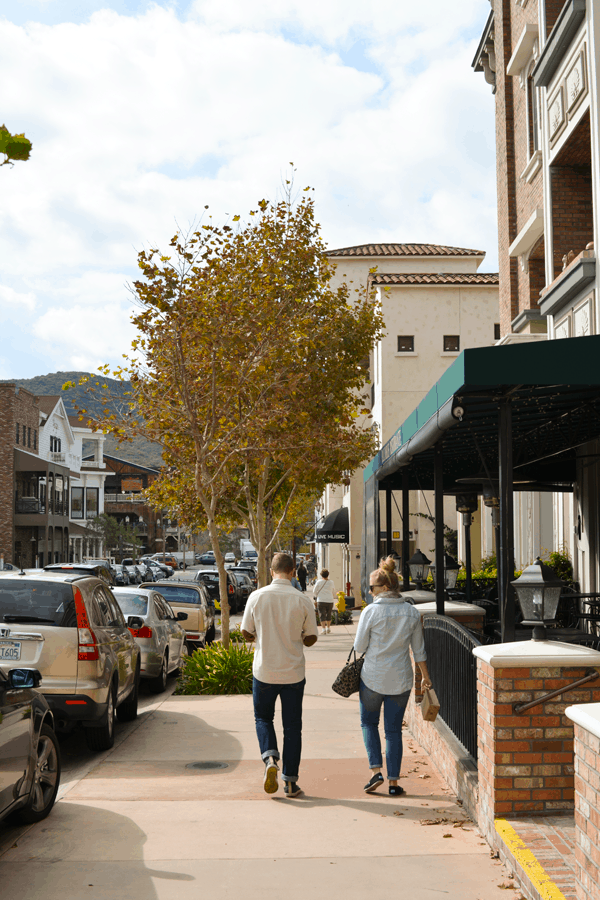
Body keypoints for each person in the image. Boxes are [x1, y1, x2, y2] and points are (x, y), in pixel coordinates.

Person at [241, 552, 318, 798]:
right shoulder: (301, 599)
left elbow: (245, 631)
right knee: (293, 727)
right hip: (293, 673)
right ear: (293, 571)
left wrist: (260, 635)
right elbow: (311, 638)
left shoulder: (257, 597)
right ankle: (291, 782)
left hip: (264, 671)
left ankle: (271, 759)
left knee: (263, 719)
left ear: (272, 572)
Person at [354, 557, 432, 797]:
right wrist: (425, 677)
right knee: (394, 731)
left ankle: (376, 770)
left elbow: (359, 645)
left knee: (369, 723)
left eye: (372, 587)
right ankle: (394, 783)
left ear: (384, 588)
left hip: (373, 678)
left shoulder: (370, 611)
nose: (369, 591)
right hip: (400, 679)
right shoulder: (411, 612)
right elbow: (419, 650)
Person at [313, 568, 335, 635]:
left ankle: (323, 629)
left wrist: (317, 595)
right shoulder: (331, 582)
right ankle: (328, 628)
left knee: (322, 614)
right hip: (330, 600)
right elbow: (333, 591)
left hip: (321, 600)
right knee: (329, 614)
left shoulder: (319, 582)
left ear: (321, 575)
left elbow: (314, 591)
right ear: (328, 575)